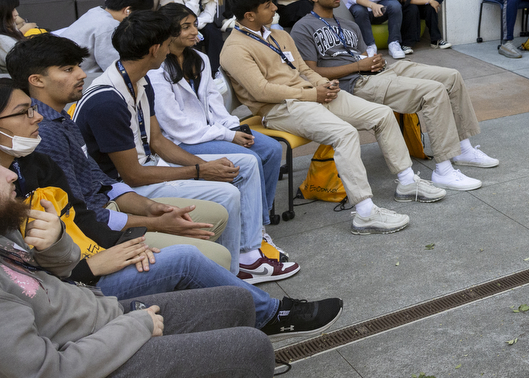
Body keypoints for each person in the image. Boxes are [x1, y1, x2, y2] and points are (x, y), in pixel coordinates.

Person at [0, 79, 342, 340]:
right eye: (24, 112)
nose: (35, 118)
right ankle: (269, 315)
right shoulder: (91, 109)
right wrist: (97, 262)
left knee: (220, 202)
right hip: (74, 287)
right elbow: (28, 282)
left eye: (32, 109)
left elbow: (84, 213)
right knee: (185, 257)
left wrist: (131, 239)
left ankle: (238, 300)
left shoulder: (34, 161)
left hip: (88, 258)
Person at [0, 159, 280, 378]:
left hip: (101, 316)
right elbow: (41, 375)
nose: (11, 174)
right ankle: (273, 317)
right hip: (89, 364)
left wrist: (56, 243)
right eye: (24, 112)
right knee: (251, 350)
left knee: (235, 303)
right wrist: (135, 326)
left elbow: (58, 273)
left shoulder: (7, 224)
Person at [72, 12, 285, 281]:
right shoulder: (108, 100)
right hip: (122, 189)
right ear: (155, 49)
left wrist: (206, 166)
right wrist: (198, 171)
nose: (171, 45)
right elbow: (133, 175)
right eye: (168, 40)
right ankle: (235, 271)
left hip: (147, 169)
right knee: (227, 194)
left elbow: (158, 141)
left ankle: (248, 252)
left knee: (243, 163)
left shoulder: (140, 79)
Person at [221, 0, 445, 236]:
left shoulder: (279, 35)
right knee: (345, 133)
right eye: (267, 6)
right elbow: (261, 91)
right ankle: (365, 213)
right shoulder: (234, 49)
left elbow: (304, 70)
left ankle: (406, 183)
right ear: (249, 16)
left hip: (312, 95)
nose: (275, 8)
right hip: (281, 108)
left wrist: (322, 84)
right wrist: (310, 93)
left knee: (381, 114)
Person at [12, 34, 235, 269]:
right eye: (68, 69)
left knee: (217, 213)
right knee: (217, 255)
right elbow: (81, 215)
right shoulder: (45, 132)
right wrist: (155, 223)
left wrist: (150, 208)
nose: (82, 74)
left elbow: (100, 179)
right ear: (36, 80)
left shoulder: (61, 117)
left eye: (78, 66)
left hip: (111, 207)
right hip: (96, 231)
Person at [293, 0, 496, 192]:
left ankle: (464, 149)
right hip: (356, 84)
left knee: (451, 77)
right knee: (433, 91)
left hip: (383, 72)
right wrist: (358, 66)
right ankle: (444, 170)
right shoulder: (303, 27)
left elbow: (362, 56)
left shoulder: (348, 24)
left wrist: (373, 61)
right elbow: (310, 72)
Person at [148, 5, 287, 259]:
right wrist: (227, 136)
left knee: (270, 148)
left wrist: (233, 127)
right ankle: (248, 237)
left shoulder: (199, 59)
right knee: (251, 159)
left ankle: (259, 222)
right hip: (183, 142)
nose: (195, 31)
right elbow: (176, 125)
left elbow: (215, 105)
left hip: (211, 132)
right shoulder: (157, 70)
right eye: (186, 26)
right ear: (168, 32)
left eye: (193, 24)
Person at [54, 0, 153, 81]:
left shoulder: (96, 11)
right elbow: (119, 70)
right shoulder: (109, 27)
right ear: (128, 11)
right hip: (78, 81)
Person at [170, 0, 225, 73]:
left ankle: (217, 72)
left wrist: (194, 26)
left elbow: (209, 16)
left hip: (201, 25)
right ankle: (196, 73)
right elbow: (183, 18)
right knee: (192, 36)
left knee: (212, 30)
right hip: (182, 26)